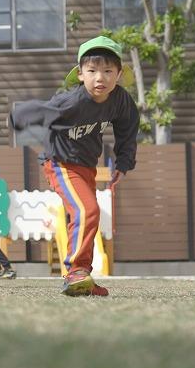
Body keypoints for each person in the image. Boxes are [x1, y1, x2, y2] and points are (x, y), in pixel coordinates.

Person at [10, 35, 139, 297]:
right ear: (80, 75)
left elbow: (128, 129)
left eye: (107, 71)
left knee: (87, 216)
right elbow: (44, 110)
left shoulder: (121, 101)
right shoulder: (71, 101)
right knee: (87, 209)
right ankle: (76, 271)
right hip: (60, 162)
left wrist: (123, 162)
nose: (99, 78)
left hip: (86, 167)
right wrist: (19, 116)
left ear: (118, 74)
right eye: (92, 71)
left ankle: (83, 278)